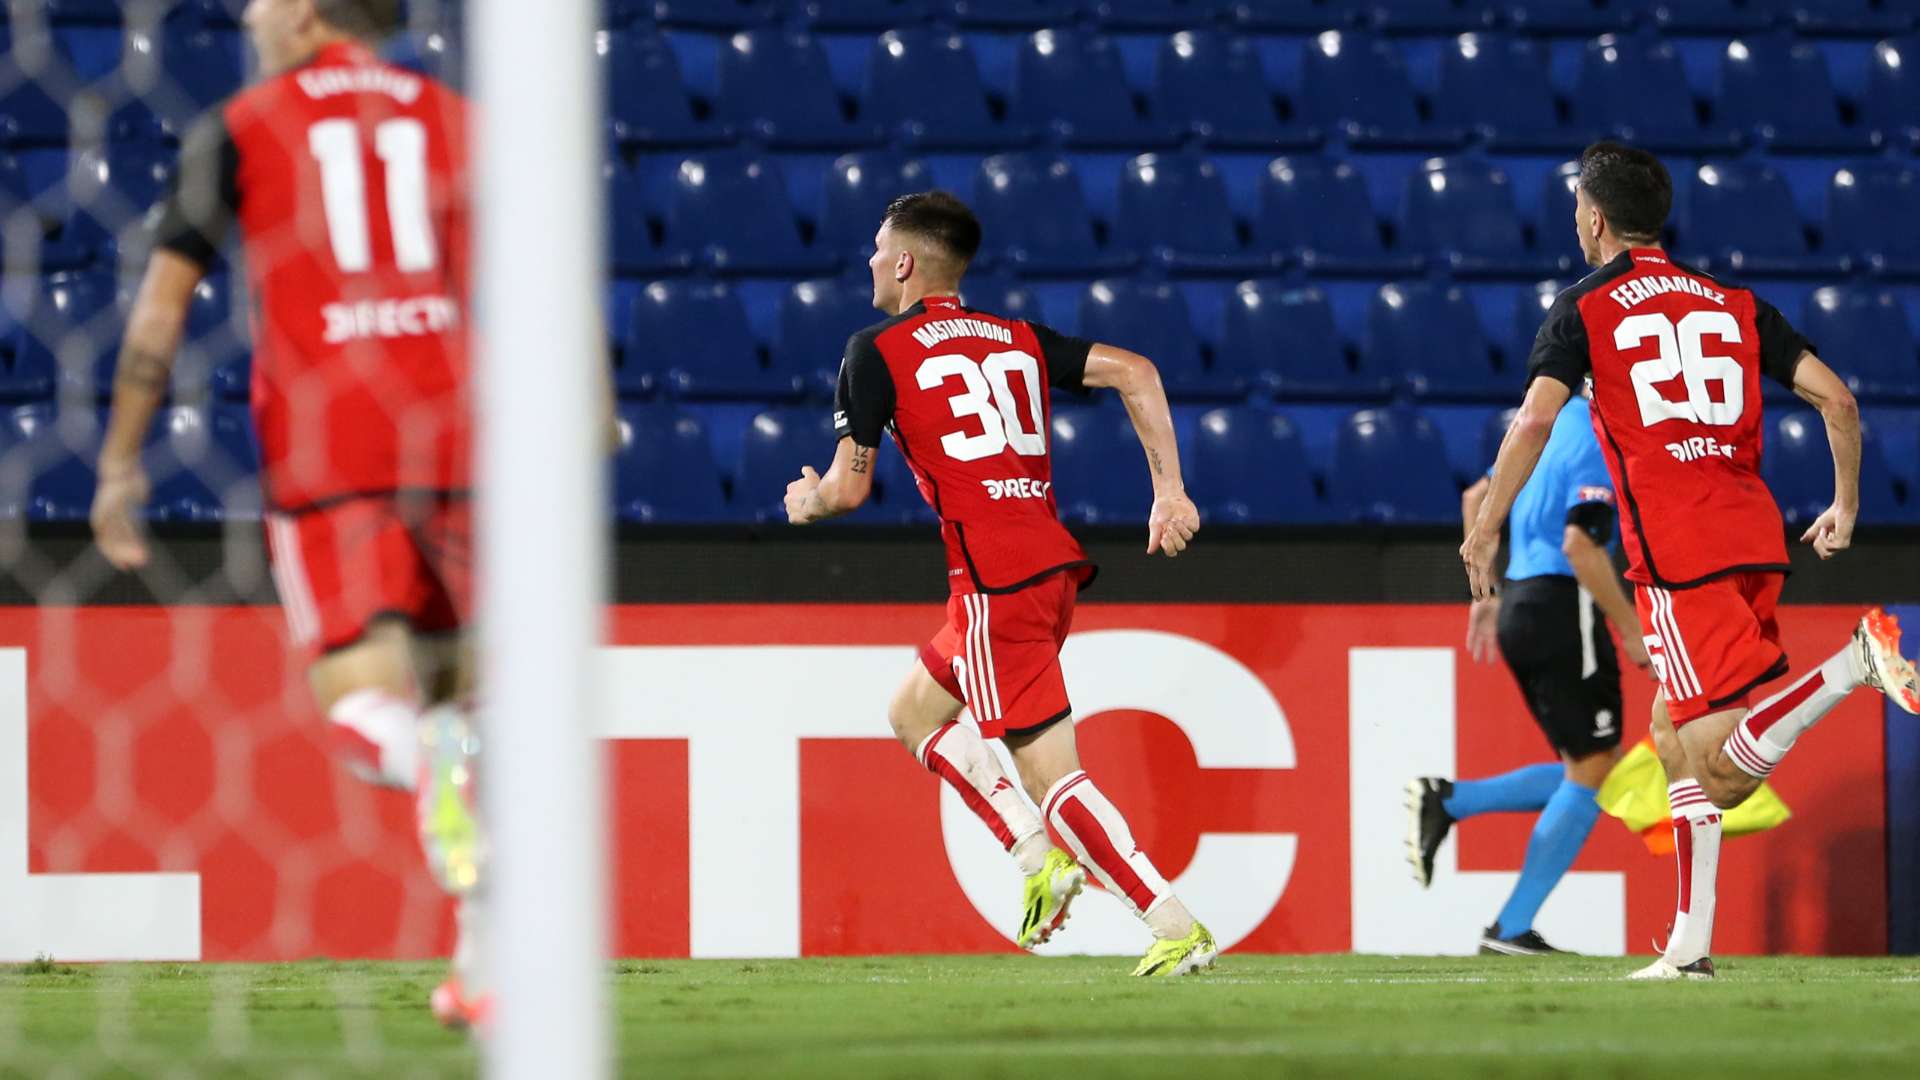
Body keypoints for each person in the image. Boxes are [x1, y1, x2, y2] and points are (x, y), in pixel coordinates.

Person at [88, 0, 487, 1025]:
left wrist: (122, 461)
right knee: (457, 713)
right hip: (454, 437)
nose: (248, 14)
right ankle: (486, 972)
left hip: (331, 448)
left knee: (364, 710)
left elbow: (166, 302)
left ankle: (440, 791)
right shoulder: (458, 115)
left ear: (306, 12)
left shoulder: (245, 122)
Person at [1462, 141, 1920, 980]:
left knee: (1720, 768)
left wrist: (1486, 526)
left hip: (1677, 548)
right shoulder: (1734, 302)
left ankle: (1852, 666)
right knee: (1672, 736)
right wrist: (1846, 504)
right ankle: (1688, 949)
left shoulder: (1584, 308)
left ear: (1593, 218)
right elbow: (1839, 400)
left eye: (1576, 206)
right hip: (1753, 534)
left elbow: (1530, 423)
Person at [782, 191, 1214, 976]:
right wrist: (1169, 491)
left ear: (907, 262)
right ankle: (1035, 857)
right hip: (1047, 569)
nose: (872, 261)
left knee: (1054, 777)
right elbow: (1136, 372)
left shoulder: (874, 350)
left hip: (991, 584)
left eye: (880, 249)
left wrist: (804, 503)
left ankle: (1171, 921)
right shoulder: (1013, 336)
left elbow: (847, 489)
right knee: (914, 709)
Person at [1410, 395, 1650, 955]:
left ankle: (1451, 801)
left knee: (1592, 768)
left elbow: (1477, 498)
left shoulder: (1546, 421)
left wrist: (1485, 591)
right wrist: (1632, 627)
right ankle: (1512, 926)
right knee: (1593, 768)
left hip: (1520, 598)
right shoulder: (1598, 431)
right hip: (1566, 603)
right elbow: (1581, 545)